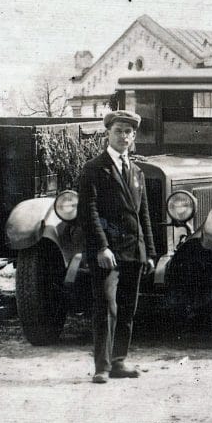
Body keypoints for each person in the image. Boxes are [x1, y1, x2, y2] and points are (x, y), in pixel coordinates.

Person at [77, 110, 154, 383]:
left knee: (126, 308)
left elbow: (142, 214)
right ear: (107, 133)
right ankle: (103, 366)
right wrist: (101, 247)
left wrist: (150, 252)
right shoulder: (94, 169)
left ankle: (120, 360)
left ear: (133, 137)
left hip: (134, 250)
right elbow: (89, 211)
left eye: (129, 132)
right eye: (119, 131)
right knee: (106, 306)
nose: (124, 136)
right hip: (107, 252)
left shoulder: (136, 172)